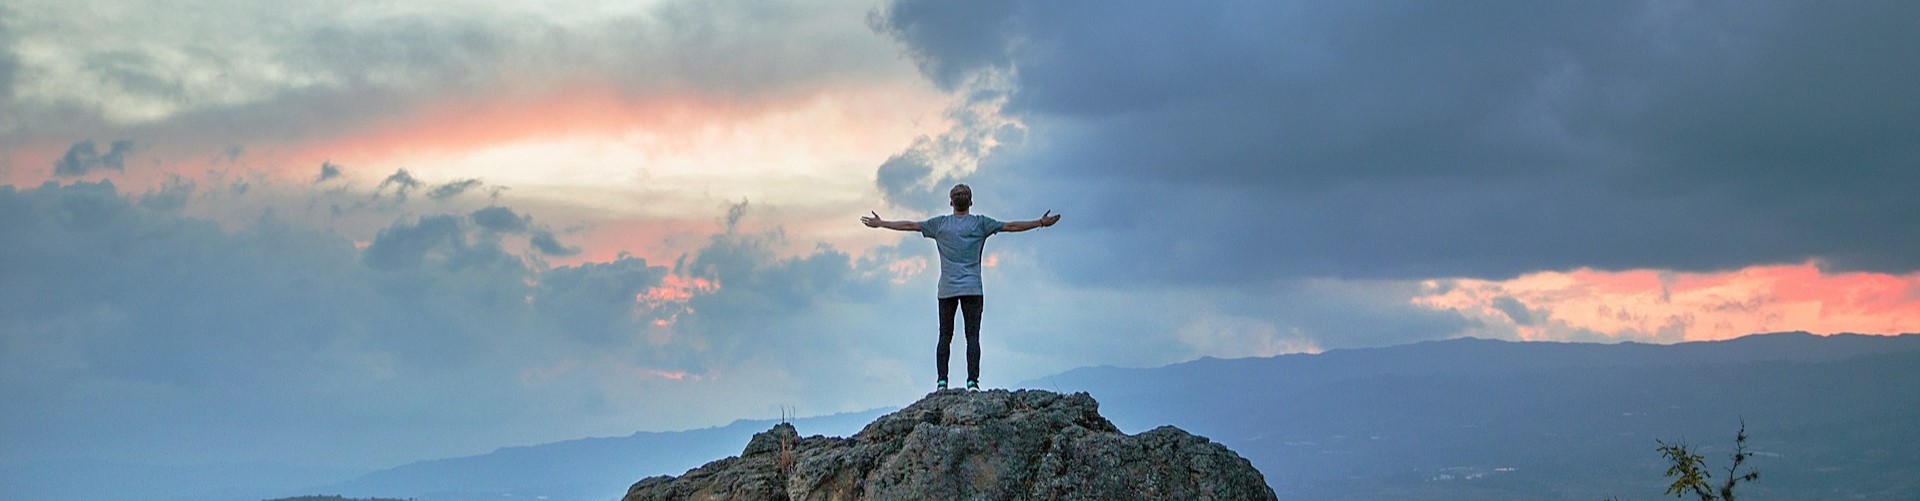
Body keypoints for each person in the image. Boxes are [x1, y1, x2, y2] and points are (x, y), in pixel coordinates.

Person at [862, 183, 1061, 391]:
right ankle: (972, 382)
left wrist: (881, 223)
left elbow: (910, 225)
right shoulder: (981, 224)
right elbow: (1011, 227)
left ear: (951, 203)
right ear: (971, 202)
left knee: (944, 336)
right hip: (973, 288)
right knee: (972, 337)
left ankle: (942, 382)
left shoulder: (940, 225)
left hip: (947, 290)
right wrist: (1040, 222)